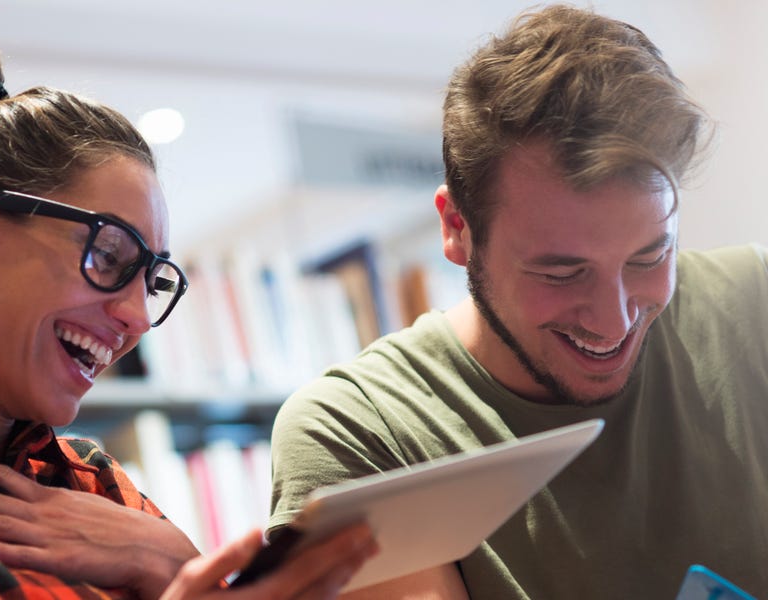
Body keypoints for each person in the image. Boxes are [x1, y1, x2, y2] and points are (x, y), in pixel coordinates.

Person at [268, 4, 768, 599]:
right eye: (561, 272)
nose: (614, 319)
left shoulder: (754, 305)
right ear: (457, 226)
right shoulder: (358, 431)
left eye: (648, 258)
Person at [0, 35, 376, 599]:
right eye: (108, 255)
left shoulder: (92, 481)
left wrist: (171, 559)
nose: (137, 318)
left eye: (153, 281)